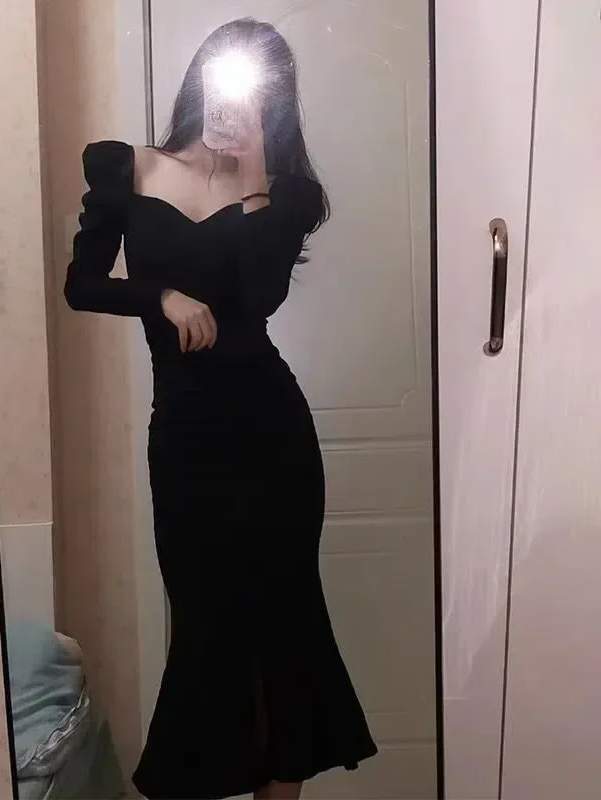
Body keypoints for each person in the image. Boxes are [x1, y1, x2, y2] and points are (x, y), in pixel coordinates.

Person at [64, 17, 377, 800]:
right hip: (187, 436)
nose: (229, 98)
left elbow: (261, 294)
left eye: (255, 90)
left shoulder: (288, 194)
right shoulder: (126, 167)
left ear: (274, 105)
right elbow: (82, 285)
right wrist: (160, 296)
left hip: (272, 436)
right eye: (222, 73)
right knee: (206, 630)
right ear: (200, 76)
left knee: (286, 627)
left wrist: (257, 171)